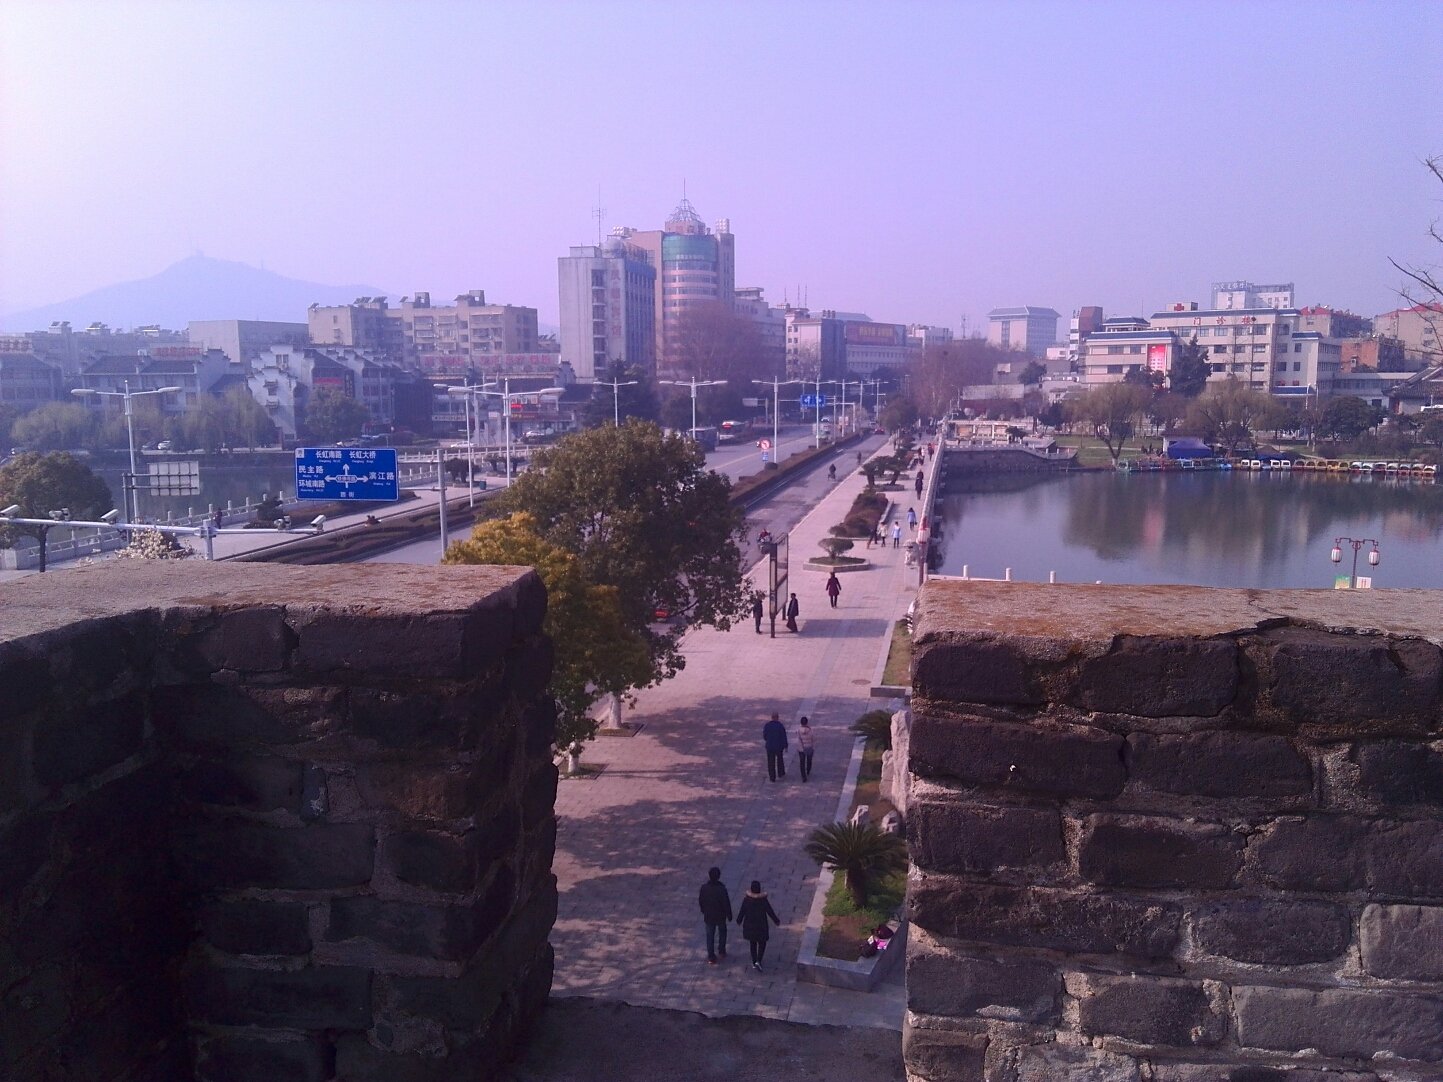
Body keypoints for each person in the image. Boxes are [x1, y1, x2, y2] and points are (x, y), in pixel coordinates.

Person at [736, 880, 781, 971]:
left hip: (750, 926)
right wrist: (776, 921)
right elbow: (770, 911)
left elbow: (742, 911)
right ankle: (759, 960)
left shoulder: (747, 900)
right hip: (761, 926)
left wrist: (739, 920)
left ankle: (754, 961)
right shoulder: (763, 901)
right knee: (762, 943)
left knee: (752, 943)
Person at [698, 867, 733, 964]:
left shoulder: (704, 888)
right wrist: (729, 915)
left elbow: (701, 901)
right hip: (720, 915)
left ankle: (711, 956)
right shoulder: (721, 889)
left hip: (708, 915)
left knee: (710, 935)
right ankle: (721, 950)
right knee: (722, 932)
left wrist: (703, 910)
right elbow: (726, 903)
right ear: (718, 877)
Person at [763, 712, 788, 781]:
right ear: (777, 717)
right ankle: (780, 773)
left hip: (770, 746)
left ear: (772, 717)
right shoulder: (780, 726)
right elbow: (783, 736)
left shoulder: (767, 725)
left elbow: (765, 736)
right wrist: (785, 746)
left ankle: (772, 777)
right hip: (779, 746)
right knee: (780, 760)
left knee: (771, 762)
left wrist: (768, 740)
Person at [796, 716, 815, 781]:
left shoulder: (799, 730)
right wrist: (812, 746)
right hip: (809, 747)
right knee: (809, 760)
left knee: (802, 762)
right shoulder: (810, 730)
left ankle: (803, 776)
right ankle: (808, 770)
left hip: (801, 748)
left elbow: (798, 740)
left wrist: (800, 747)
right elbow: (813, 738)